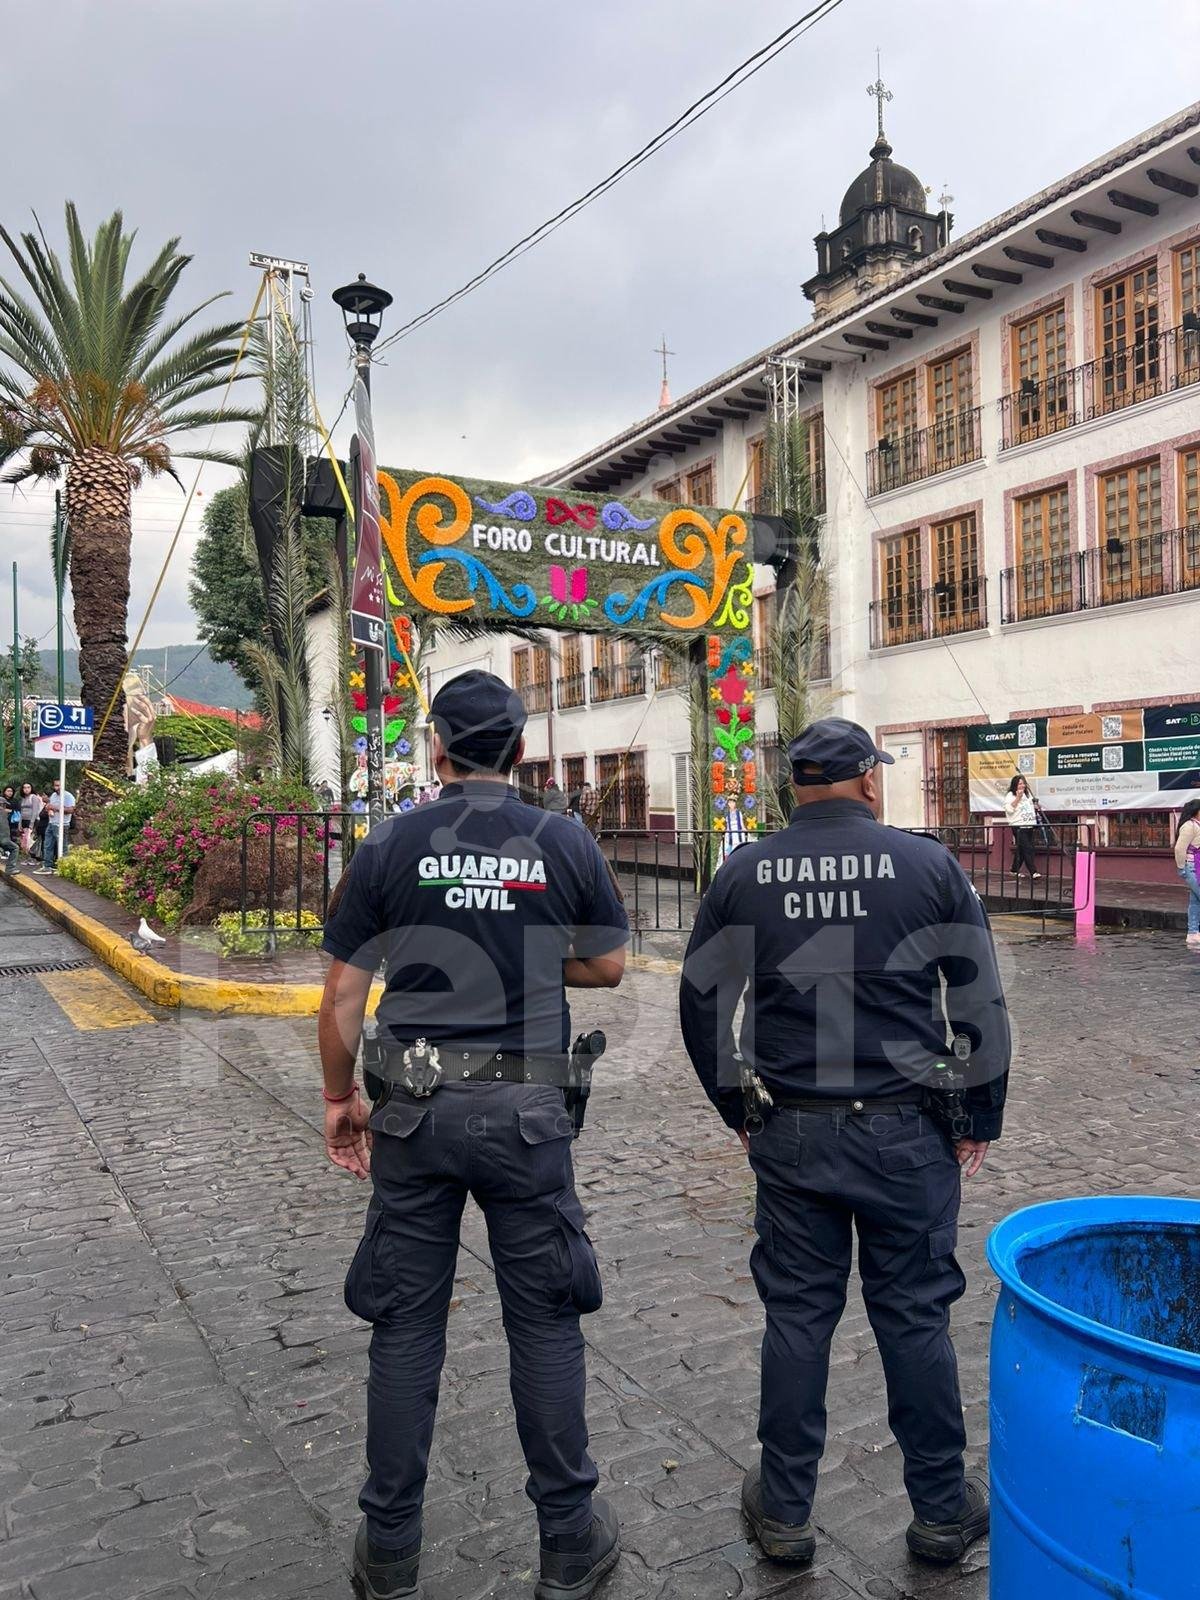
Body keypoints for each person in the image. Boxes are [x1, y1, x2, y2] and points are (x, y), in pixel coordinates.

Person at [318, 669, 629, 1600]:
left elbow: (341, 991)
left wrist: (339, 1099)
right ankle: (570, 1543)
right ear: (522, 750)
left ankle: (390, 1551)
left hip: (411, 1114)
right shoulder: (561, 838)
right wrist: (533, 948)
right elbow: (610, 964)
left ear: (436, 749)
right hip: (529, 1118)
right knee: (544, 1321)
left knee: (406, 1327)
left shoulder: (391, 843)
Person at [679, 716, 1011, 1569]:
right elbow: (978, 1002)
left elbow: (701, 1004)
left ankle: (785, 1509)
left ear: (797, 785)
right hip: (906, 1130)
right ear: (868, 780)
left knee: (796, 1316)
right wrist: (979, 1116)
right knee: (913, 1317)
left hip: (792, 1129)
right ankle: (941, 1507)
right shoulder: (929, 865)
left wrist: (736, 1108)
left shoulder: (745, 873)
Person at [1003, 774, 1041, 879]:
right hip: (1019, 826)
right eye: (1020, 783)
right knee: (1028, 848)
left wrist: (1035, 807)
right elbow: (1009, 810)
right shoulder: (1010, 795)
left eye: (1023, 783)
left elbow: (1030, 808)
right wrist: (1018, 798)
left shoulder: (1027, 795)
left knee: (1022, 849)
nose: (1022, 785)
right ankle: (1033, 872)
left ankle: (1014, 870)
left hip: (1029, 825)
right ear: (1015, 785)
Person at [1175, 799, 1200, 950]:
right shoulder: (1189, 826)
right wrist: (1181, 868)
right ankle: (1192, 932)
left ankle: (1192, 933)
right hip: (1192, 867)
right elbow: (1179, 848)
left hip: (1198, 866)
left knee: (1195, 901)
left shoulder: (1197, 825)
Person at [38, 779, 75, 873]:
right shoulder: (53, 795)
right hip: (51, 823)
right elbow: (50, 806)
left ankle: (64, 867)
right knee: (48, 845)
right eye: (56, 785)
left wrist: (54, 808)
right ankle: (47, 866)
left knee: (62, 846)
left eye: (59, 785)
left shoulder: (68, 796)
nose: (57, 788)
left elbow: (70, 810)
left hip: (62, 824)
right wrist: (48, 808)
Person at [18, 783, 40, 853]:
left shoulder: (34, 797)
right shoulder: (23, 798)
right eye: (24, 788)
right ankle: (27, 858)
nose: (26, 789)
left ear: (31, 788)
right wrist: (20, 823)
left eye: (28, 787)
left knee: (30, 841)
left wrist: (32, 823)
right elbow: (21, 812)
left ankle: (32, 859)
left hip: (31, 821)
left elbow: (35, 811)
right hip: (24, 821)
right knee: (24, 841)